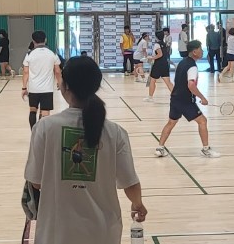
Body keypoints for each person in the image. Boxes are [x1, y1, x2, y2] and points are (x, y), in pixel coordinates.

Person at [25, 56, 145, 244]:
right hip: (103, 232)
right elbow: (129, 182)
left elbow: (35, 181)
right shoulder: (115, 132)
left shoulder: (44, 128)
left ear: (65, 86)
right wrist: (138, 204)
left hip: (56, 232)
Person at [154, 40, 220, 158]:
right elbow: (191, 85)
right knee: (203, 121)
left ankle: (160, 148)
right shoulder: (192, 66)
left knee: (171, 122)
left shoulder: (182, 62)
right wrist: (202, 98)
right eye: (200, 49)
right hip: (185, 101)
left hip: (175, 98)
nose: (202, 51)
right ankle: (206, 149)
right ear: (194, 52)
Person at [23, 31, 62, 130]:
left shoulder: (29, 54)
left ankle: (34, 132)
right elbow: (57, 71)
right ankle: (42, 134)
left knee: (33, 110)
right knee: (45, 114)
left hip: (33, 89)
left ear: (33, 41)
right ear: (45, 40)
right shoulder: (52, 54)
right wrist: (60, 83)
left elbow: (26, 72)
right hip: (47, 90)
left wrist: (24, 88)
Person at [145, 30, 174, 102]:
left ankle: (150, 97)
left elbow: (160, 54)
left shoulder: (157, 45)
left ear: (156, 37)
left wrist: (151, 58)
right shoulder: (164, 44)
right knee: (168, 82)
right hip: (165, 64)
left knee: (152, 81)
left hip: (158, 65)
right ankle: (176, 96)